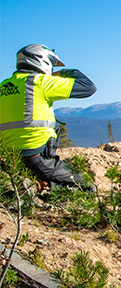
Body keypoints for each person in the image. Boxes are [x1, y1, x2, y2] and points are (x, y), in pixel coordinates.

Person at [0, 44, 96, 190]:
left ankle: (31, 185)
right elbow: (88, 87)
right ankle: (43, 188)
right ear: (42, 60)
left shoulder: (3, 86)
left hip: (9, 160)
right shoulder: (40, 82)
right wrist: (64, 73)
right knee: (87, 186)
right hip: (38, 159)